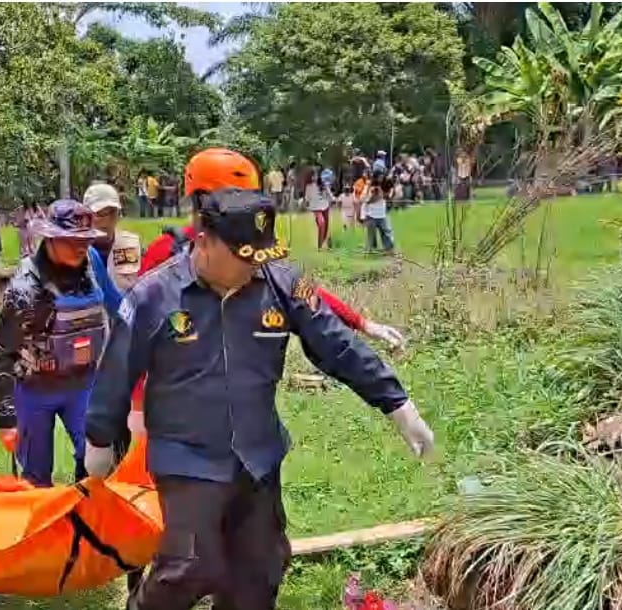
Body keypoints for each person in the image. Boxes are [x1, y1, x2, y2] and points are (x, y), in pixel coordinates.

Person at [83, 189, 434, 610]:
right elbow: (116, 368)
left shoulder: (280, 283)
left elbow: (336, 344)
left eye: (261, 256)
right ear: (205, 241)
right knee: (190, 567)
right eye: (245, 257)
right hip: (187, 457)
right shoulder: (154, 296)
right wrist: (99, 440)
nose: (256, 267)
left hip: (257, 456)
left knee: (260, 570)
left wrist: (397, 403)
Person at [139, 149, 404, 350]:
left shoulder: (254, 248)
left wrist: (362, 323)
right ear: (202, 201)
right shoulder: (165, 254)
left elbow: (301, 291)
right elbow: (138, 333)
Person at [0, 200, 121, 487]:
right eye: (72, 240)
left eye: (86, 241)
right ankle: (42, 525)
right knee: (36, 476)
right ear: (50, 238)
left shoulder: (92, 264)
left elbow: (117, 305)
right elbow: (4, 351)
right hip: (35, 389)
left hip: (85, 384)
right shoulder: (25, 287)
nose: (80, 248)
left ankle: (84, 519)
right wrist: (6, 419)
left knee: (96, 461)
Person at [85, 182, 142, 292]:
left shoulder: (129, 244)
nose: (107, 219)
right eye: (100, 213)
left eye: (113, 212)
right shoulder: (77, 250)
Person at [364, 173, 396, 254]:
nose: (381, 178)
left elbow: (389, 193)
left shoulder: (384, 187)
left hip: (382, 214)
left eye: (382, 177)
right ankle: (370, 250)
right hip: (371, 214)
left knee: (386, 232)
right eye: (379, 177)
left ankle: (389, 249)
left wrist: (385, 195)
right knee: (371, 235)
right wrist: (375, 195)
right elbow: (367, 200)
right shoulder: (370, 187)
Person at [305, 170, 333, 250]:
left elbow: (329, 193)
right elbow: (307, 198)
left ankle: (324, 241)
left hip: (325, 206)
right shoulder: (308, 186)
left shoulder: (323, 184)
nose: (314, 177)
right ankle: (320, 245)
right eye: (313, 176)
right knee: (321, 223)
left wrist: (333, 199)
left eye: (316, 175)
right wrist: (306, 203)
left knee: (326, 225)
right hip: (316, 208)